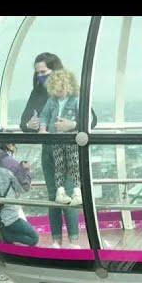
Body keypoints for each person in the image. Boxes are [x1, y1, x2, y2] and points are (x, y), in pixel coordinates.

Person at [0, 143, 39, 246]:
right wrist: (26, 170)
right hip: (7, 218)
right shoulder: (10, 163)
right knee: (34, 238)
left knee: (9, 244)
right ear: (9, 146)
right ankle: (6, 236)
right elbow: (24, 188)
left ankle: (6, 237)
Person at [38, 69, 82, 206]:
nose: (58, 93)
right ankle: (60, 192)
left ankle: (77, 192)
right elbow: (44, 115)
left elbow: (87, 119)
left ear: (68, 87)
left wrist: (73, 125)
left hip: (71, 140)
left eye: (60, 90)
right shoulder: (52, 101)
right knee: (59, 166)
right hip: (56, 139)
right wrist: (43, 129)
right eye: (56, 90)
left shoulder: (76, 101)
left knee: (74, 164)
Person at [19, 52, 64, 132]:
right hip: (45, 141)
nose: (39, 76)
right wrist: (29, 125)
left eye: (43, 72)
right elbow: (23, 123)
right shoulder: (37, 92)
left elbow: (91, 120)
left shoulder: (70, 91)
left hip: (67, 141)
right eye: (37, 73)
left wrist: (73, 125)